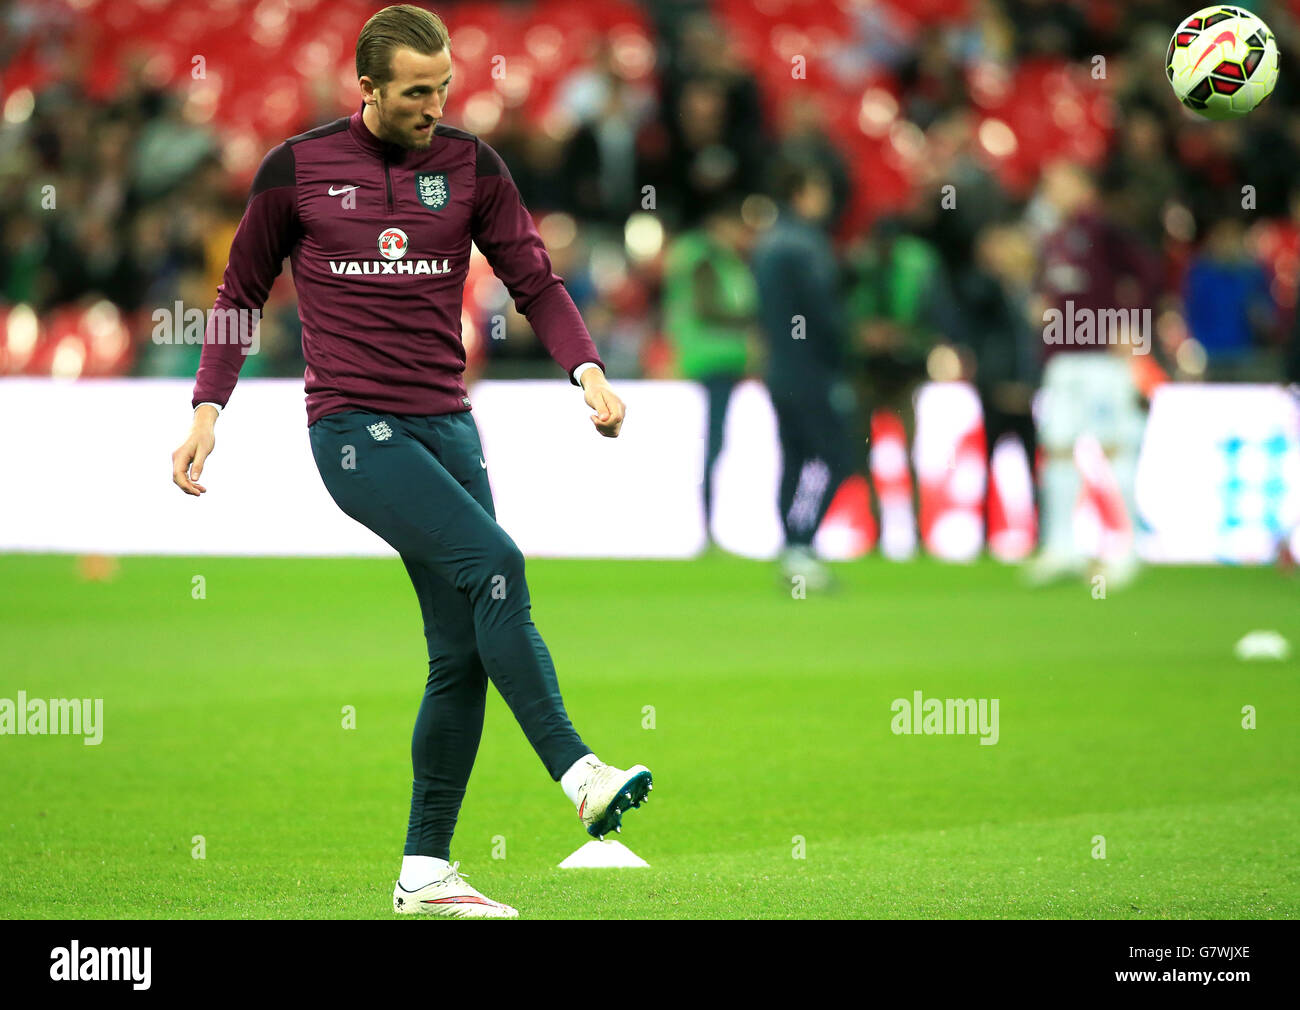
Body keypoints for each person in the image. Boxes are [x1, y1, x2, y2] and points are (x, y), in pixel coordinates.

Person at [169, 4, 652, 919]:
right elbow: (237, 294)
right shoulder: (298, 171)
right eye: (417, 93)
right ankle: (579, 771)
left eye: (444, 89)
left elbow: (534, 279)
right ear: (368, 90)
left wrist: (586, 368)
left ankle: (423, 874)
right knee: (497, 564)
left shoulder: (473, 167)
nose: (435, 106)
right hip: (354, 431)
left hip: (449, 428)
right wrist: (207, 410)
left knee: (462, 653)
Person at [752, 160, 859, 589]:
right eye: (818, 191)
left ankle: (793, 548)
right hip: (811, 368)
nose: (826, 201)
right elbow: (823, 312)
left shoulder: (767, 243)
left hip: (779, 367)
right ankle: (801, 542)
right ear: (800, 194)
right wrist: (844, 353)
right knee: (833, 455)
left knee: (795, 456)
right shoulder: (807, 245)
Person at [662, 196, 758, 546]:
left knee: (713, 444)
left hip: (711, 361)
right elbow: (708, 308)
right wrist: (754, 320)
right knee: (712, 444)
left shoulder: (713, 258)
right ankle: (705, 527)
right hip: (711, 361)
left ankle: (708, 526)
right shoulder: (704, 258)